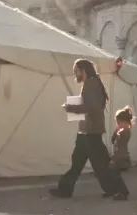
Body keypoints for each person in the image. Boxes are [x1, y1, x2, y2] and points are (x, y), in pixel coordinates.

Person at [50, 59, 125, 200]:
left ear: (83, 71)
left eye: (76, 71)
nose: (75, 74)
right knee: (77, 163)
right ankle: (65, 189)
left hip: (91, 132)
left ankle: (119, 190)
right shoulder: (90, 84)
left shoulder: (91, 84)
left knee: (101, 164)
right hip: (86, 131)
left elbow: (91, 107)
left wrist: (71, 108)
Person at [106, 106, 133, 200]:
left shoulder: (125, 132)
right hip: (121, 155)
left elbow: (119, 147)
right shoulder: (122, 131)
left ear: (124, 121)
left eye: (118, 122)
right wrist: (116, 131)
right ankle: (120, 191)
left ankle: (123, 192)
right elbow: (113, 140)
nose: (117, 124)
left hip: (120, 156)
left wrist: (114, 159)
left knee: (115, 175)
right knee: (114, 174)